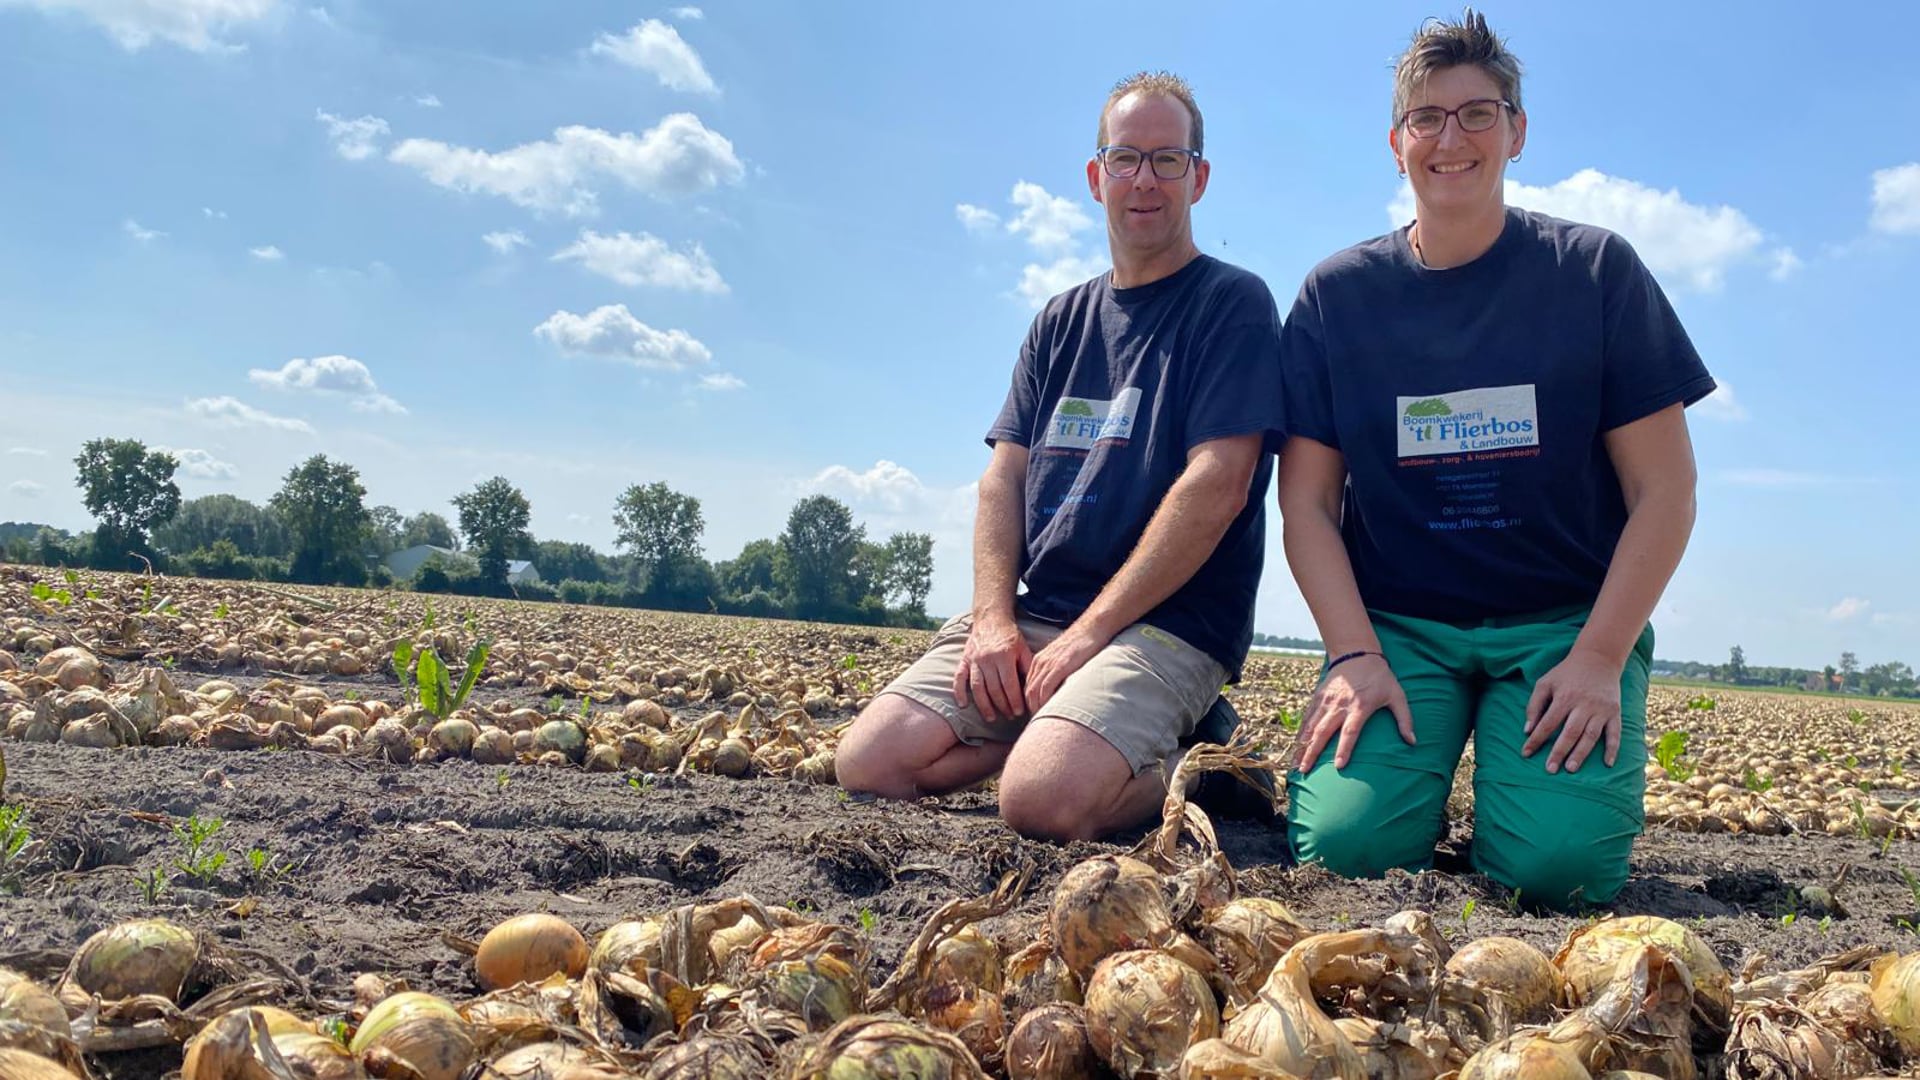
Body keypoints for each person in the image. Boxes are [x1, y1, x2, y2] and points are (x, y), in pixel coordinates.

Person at [1277, 11, 1715, 911]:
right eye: (1428, 118)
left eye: (1479, 113)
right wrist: (1354, 652)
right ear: (1396, 143)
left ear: (1517, 130)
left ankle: (1529, 802)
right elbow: (1310, 506)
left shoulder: (1595, 273)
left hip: (1561, 626)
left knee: (1558, 873)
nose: (1452, 138)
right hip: (1398, 628)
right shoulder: (1337, 296)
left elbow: (1664, 488)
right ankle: (1406, 780)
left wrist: (1599, 656)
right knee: (1346, 851)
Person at [834, 72, 1286, 841]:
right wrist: (992, 622)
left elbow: (1219, 484)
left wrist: (1086, 639)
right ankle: (1079, 733)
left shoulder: (1231, 304)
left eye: (1167, 160)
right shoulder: (1060, 320)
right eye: (1125, 158)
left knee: (1039, 803)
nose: (1144, 179)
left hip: (1167, 624)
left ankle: (1204, 766)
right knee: (870, 765)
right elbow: (1003, 478)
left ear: (1198, 178)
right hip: (1040, 614)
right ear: (1095, 176)